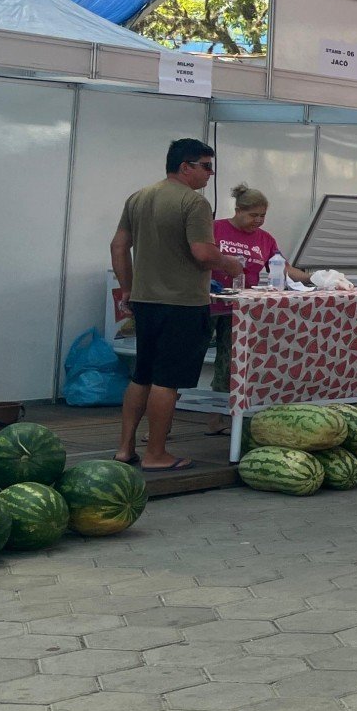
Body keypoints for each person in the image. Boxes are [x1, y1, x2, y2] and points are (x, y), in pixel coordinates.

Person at [110, 138, 224, 471]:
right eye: (206, 166)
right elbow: (203, 254)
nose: (210, 174)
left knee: (142, 375)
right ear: (185, 166)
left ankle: (124, 448)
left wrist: (127, 288)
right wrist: (229, 264)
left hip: (145, 301)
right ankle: (156, 453)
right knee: (167, 380)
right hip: (183, 303)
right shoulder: (194, 203)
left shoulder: (139, 197)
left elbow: (119, 246)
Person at [206, 184, 311, 433]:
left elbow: (283, 268)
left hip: (240, 308)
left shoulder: (265, 239)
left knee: (229, 360)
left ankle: (218, 418)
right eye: (253, 215)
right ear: (238, 210)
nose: (259, 221)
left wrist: (316, 278)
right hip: (206, 302)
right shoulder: (215, 229)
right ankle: (163, 421)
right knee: (186, 357)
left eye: (263, 215)